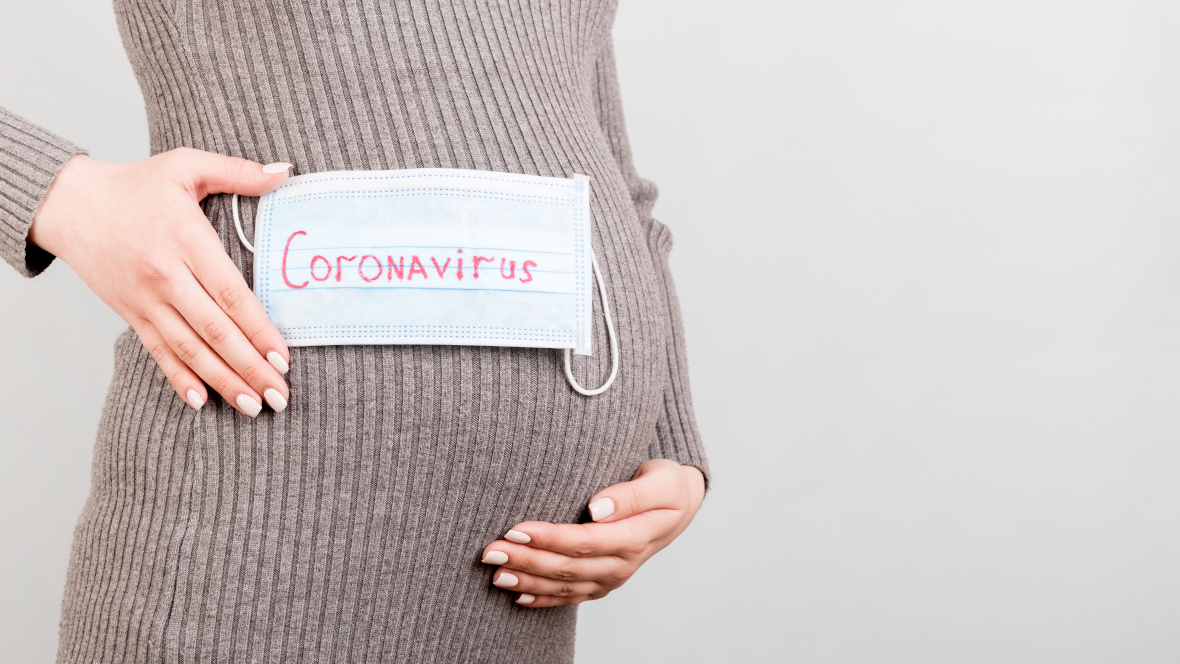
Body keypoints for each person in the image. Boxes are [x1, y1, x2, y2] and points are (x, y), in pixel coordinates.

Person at [0, 2, 709, 662]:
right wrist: (62, 195)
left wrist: (668, 449)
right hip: (258, 552)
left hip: (518, 596)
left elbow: (609, 177)